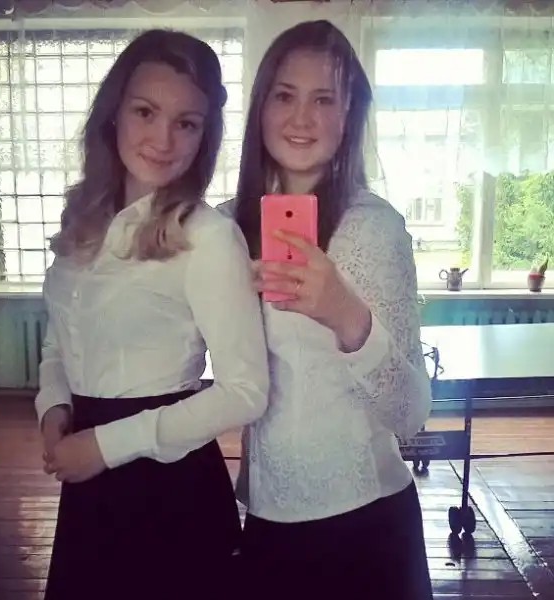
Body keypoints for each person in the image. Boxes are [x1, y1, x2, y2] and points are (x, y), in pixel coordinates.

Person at [35, 29, 269, 600]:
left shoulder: (208, 237)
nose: (163, 140)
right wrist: (53, 406)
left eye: (186, 123)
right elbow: (60, 342)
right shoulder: (82, 221)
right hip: (85, 472)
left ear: (205, 135)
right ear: (114, 112)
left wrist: (104, 446)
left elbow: (246, 391)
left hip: (167, 485)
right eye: (146, 112)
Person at [219, 20, 434, 599]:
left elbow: (412, 414)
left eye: (324, 99)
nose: (301, 117)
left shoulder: (376, 230)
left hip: (368, 524)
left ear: (349, 115)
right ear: (260, 107)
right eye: (284, 95)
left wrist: (345, 315)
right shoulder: (224, 229)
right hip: (266, 516)